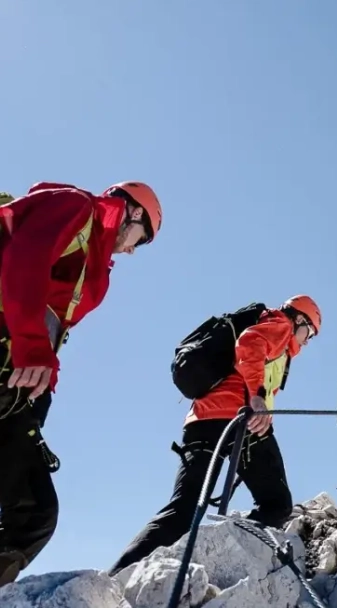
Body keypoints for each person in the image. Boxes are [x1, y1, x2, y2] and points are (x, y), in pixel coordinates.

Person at [0, 181, 163, 587]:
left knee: (34, 515)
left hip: (21, 378)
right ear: (135, 213)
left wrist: (44, 377)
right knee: (32, 512)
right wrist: (32, 349)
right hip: (15, 356)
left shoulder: (94, 260)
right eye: (140, 242)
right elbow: (24, 261)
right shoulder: (76, 207)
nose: (130, 251)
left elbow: (56, 319)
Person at [109, 295, 321, 576]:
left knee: (183, 510)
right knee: (277, 505)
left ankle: (116, 577)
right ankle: (222, 556)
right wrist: (258, 397)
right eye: (310, 333)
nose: (307, 341)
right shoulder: (280, 324)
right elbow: (250, 343)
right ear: (299, 320)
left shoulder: (269, 325)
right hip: (240, 421)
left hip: (199, 422)